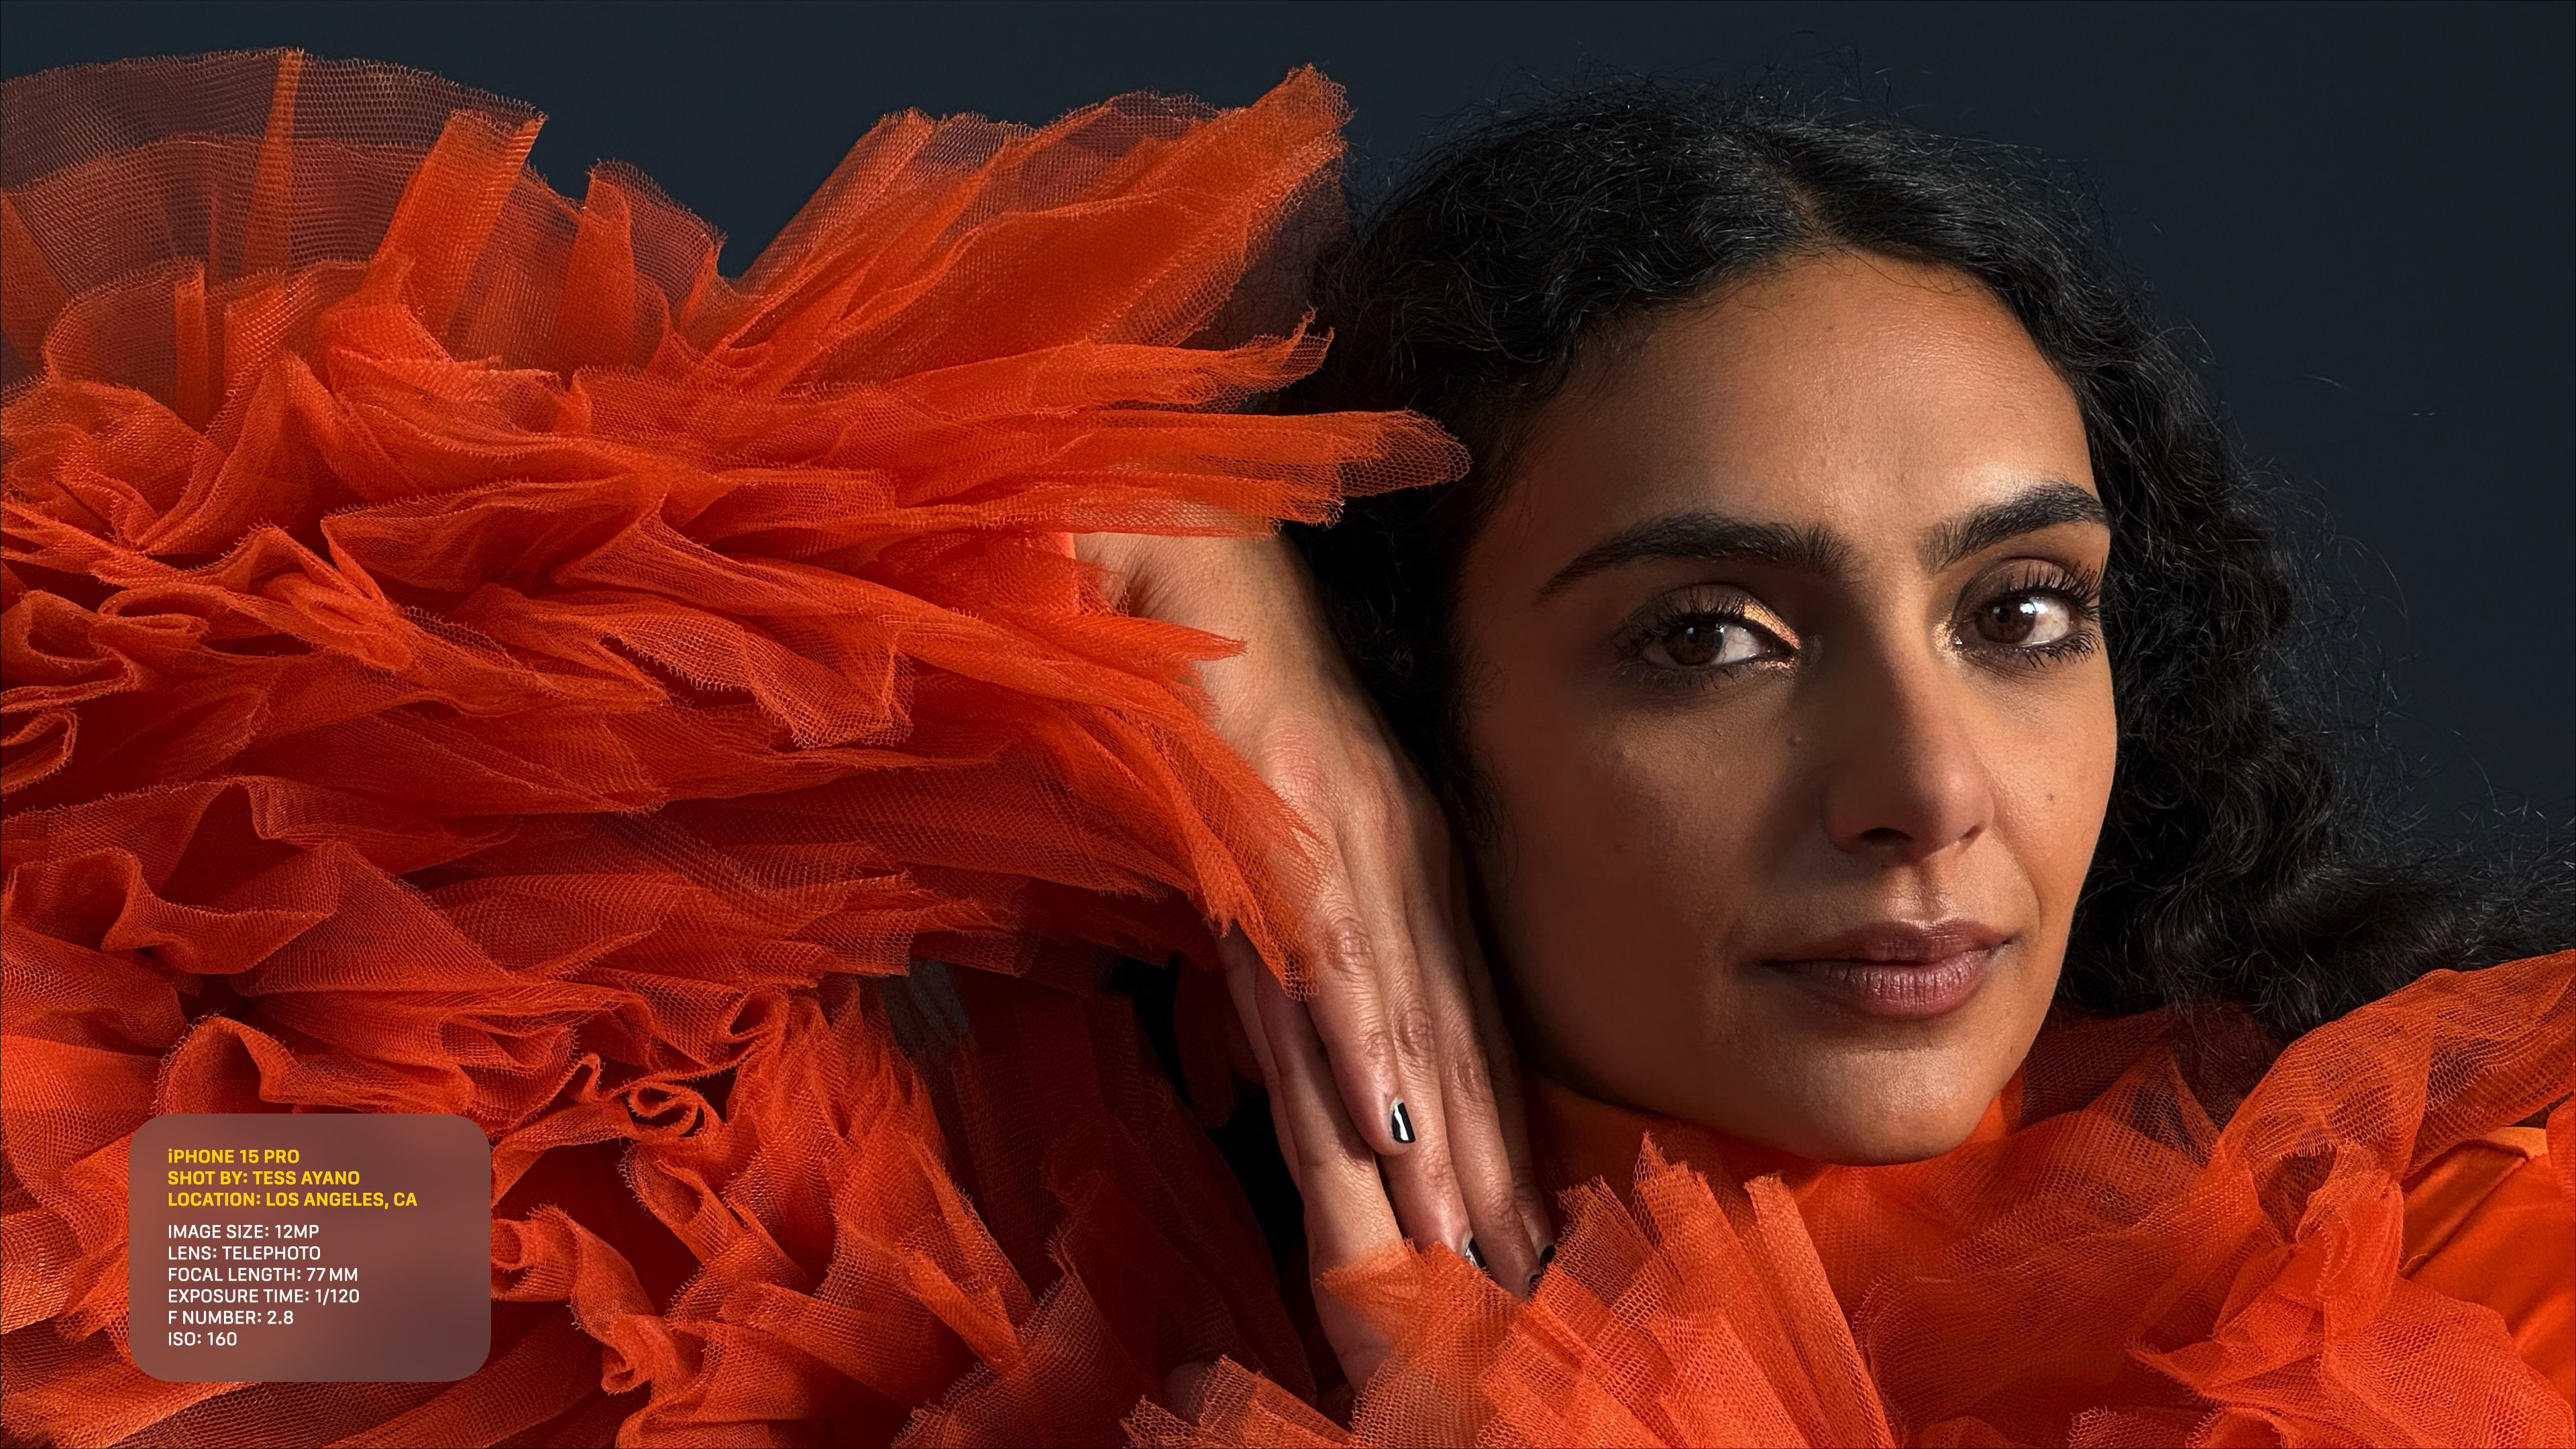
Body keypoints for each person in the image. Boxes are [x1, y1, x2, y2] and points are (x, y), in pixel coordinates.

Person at [0, 49, 2564, 1449]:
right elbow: (112, 1218)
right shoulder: (897, 1307)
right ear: (1419, 719)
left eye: (2022, 613)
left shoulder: (2440, 1288)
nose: (1929, 780)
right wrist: (1134, 564)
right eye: (1711, 639)